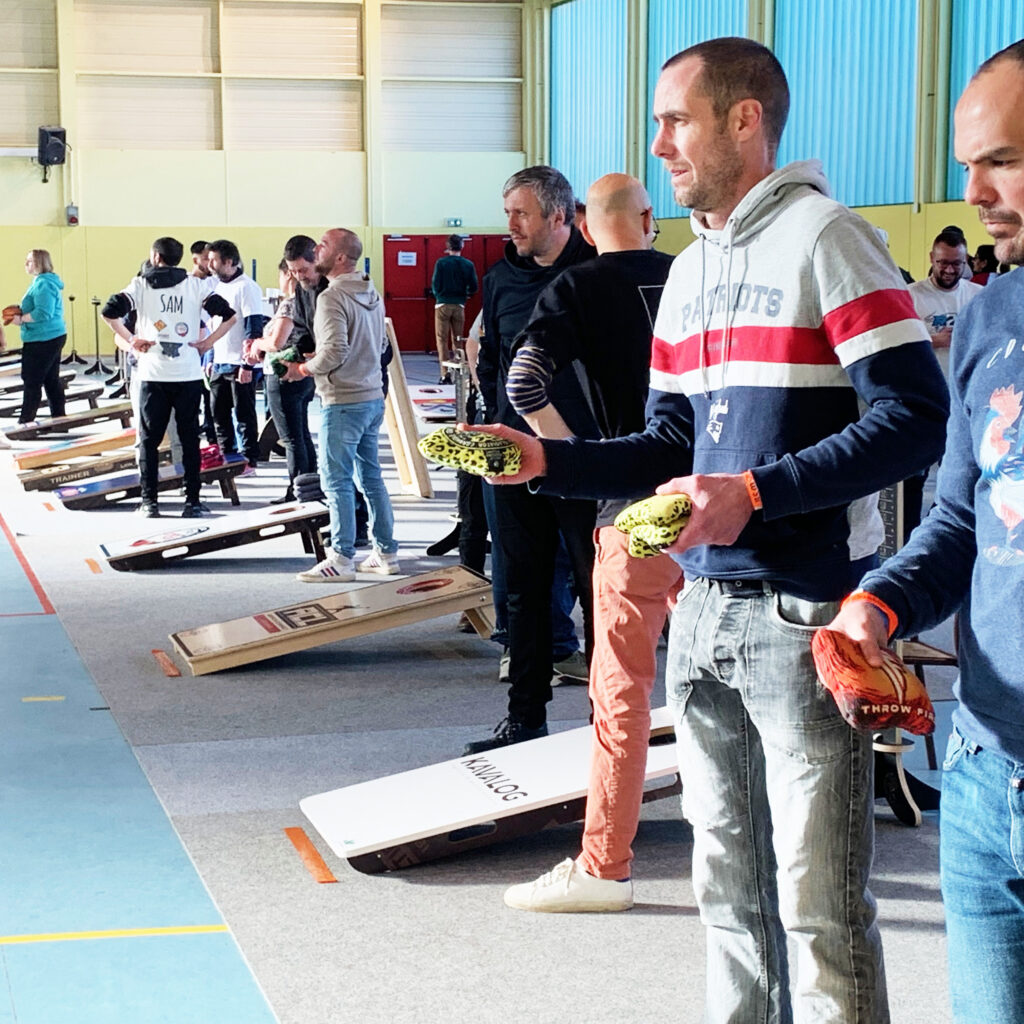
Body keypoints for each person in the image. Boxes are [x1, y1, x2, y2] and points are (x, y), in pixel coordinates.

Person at [471, 37, 949, 1022]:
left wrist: (758, 493)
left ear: (744, 119)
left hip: (802, 616)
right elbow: (668, 443)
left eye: (674, 119)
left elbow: (913, 417)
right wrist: (547, 459)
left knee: (818, 913)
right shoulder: (689, 273)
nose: (658, 144)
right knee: (731, 902)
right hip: (702, 616)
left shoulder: (829, 238)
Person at [826, 40, 1024, 1024]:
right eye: (968, 163)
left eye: (1002, 159)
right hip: (985, 768)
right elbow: (958, 517)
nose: (974, 189)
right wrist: (877, 603)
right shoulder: (992, 315)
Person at [500, 173, 679, 912]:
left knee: (622, 695)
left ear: (582, 222)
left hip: (631, 502)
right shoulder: (693, 273)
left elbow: (523, 381)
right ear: (648, 218)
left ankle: (604, 864)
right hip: (724, 503)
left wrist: (570, 454)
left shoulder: (575, 289)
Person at [466, 165, 599, 755]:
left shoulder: (596, 276)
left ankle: (607, 724)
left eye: (521, 213)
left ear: (559, 215)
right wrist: (498, 427)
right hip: (511, 460)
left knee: (600, 592)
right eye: (508, 214)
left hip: (583, 460)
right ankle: (524, 720)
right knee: (519, 587)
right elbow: (490, 357)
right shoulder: (500, 280)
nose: (511, 226)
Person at [282, 229, 399, 581]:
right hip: (372, 397)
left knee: (336, 481)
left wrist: (301, 369)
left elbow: (334, 352)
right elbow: (379, 345)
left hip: (344, 401)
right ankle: (386, 553)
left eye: (325, 246)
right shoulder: (370, 289)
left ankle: (342, 558)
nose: (317, 249)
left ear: (342, 258)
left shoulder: (331, 298)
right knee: (371, 478)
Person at [101, 236, 238, 518]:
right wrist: (207, 342)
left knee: (149, 441)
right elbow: (229, 317)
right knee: (189, 441)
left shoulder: (140, 285)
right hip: (187, 375)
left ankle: (149, 502)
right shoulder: (195, 285)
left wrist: (132, 339)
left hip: (153, 374)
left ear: (154, 257)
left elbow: (109, 312)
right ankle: (193, 502)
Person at [248, 259, 317, 504]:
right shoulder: (309, 302)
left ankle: (297, 489)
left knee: (291, 438)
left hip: (284, 374)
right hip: (302, 374)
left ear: (287, 275)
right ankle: (310, 484)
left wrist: (258, 343)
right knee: (301, 433)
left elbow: (277, 342)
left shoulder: (290, 304)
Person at [207, 239, 265, 472]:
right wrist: (209, 358)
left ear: (229, 262)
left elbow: (253, 327)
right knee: (218, 413)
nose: (209, 264)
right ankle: (227, 454)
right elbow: (212, 325)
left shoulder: (247, 287)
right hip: (219, 361)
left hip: (239, 363)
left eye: (214, 260)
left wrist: (248, 364)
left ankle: (249, 458)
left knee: (244, 413)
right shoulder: (216, 286)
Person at [908, 230, 983, 380]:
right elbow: (899, 347)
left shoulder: (979, 295)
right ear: (931, 258)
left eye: (956, 264)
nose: (949, 270)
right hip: (926, 385)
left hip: (965, 385)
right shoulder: (910, 295)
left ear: (965, 261)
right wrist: (934, 341)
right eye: (943, 262)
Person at [10, 249, 67, 427]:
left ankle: (25, 422)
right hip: (49, 336)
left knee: (32, 380)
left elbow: (43, 313)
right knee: (50, 380)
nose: (26, 264)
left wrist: (21, 319)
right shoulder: (42, 282)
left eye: (30, 261)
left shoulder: (44, 284)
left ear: (40, 263)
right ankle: (59, 418)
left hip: (43, 338)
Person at [430, 234, 477, 383]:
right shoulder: (468, 264)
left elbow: (435, 284)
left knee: (441, 340)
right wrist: (466, 295)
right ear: (462, 246)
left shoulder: (441, 263)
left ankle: (445, 374)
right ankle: (459, 372)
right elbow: (474, 286)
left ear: (448, 247)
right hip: (459, 305)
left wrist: (440, 296)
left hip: (442, 304)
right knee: (458, 340)